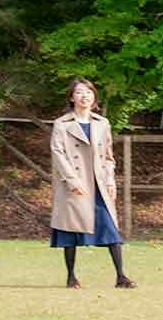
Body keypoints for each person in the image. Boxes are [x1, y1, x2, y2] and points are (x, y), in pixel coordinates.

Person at [50, 78, 135, 289]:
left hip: (99, 184)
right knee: (71, 231)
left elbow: (108, 156)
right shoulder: (61, 124)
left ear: (94, 97)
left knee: (110, 228)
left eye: (88, 92)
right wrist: (72, 180)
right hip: (74, 184)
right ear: (72, 97)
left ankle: (121, 276)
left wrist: (110, 180)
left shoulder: (102, 123)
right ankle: (71, 277)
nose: (84, 96)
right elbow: (57, 153)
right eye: (79, 92)